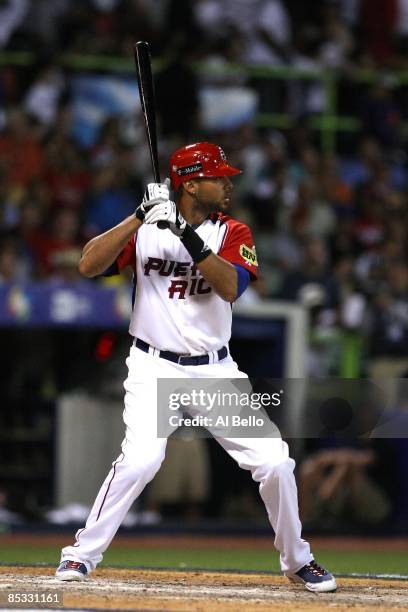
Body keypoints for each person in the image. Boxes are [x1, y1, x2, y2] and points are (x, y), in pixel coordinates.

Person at [55, 142, 336, 593]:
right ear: (189, 183)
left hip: (213, 372)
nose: (227, 183)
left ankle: (297, 560)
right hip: (153, 366)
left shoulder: (234, 232)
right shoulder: (147, 228)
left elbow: (229, 288)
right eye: (217, 176)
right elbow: (89, 265)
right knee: (142, 460)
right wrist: (136, 216)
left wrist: (185, 232)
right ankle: (80, 555)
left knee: (275, 462)